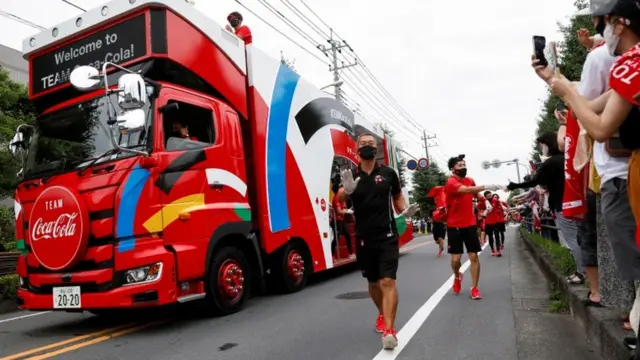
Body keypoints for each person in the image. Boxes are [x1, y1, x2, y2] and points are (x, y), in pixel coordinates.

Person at [338, 133, 418, 350]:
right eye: (363, 144)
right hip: (364, 237)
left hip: (388, 235)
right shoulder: (351, 174)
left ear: (377, 149)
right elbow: (340, 197)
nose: (367, 147)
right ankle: (382, 312)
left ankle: (390, 329)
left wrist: (404, 210)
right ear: (356, 149)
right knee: (373, 283)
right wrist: (347, 191)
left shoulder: (389, 173)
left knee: (387, 281)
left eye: (371, 144)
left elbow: (398, 196)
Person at [507, 132, 586, 283]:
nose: (541, 148)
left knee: (572, 239)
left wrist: (514, 186)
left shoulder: (550, 162)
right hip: (578, 201)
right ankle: (584, 270)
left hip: (562, 204)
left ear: (547, 144)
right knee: (581, 237)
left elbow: (535, 181)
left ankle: (582, 272)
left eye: (541, 145)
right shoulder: (568, 158)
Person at [445, 154, 502, 300]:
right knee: (455, 260)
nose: (463, 168)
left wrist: (485, 201)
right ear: (453, 169)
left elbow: (475, 193)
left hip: (469, 224)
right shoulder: (451, 182)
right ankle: (457, 276)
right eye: (459, 166)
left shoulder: (470, 180)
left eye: (464, 165)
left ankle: (475, 288)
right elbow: (467, 190)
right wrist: (489, 186)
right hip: (454, 225)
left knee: (473, 256)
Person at [332, 185, 355, 260]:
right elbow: (339, 211)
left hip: (342, 220)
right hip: (337, 221)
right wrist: (347, 212)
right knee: (336, 238)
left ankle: (351, 253)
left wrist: (347, 210)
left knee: (347, 235)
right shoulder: (336, 198)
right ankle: (331, 256)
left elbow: (344, 208)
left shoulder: (342, 198)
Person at [483, 191, 502, 257]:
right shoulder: (483, 202)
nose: (490, 197)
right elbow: (478, 208)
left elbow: (500, 206)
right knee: (490, 237)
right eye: (488, 196)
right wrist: (482, 214)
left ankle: (498, 250)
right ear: (485, 197)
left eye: (490, 196)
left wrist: (501, 210)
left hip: (496, 222)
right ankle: (492, 250)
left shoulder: (495, 200)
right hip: (488, 223)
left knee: (497, 236)